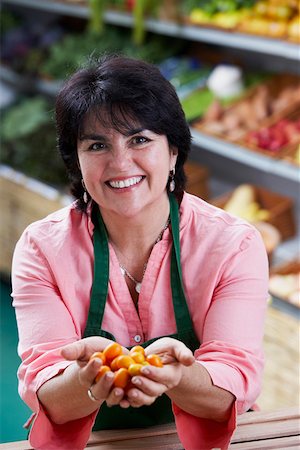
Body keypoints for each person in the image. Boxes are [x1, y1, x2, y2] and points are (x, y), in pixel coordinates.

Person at [11, 54, 269, 450]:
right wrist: (86, 379)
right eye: (97, 145)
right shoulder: (42, 248)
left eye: (140, 140)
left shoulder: (233, 244)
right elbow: (44, 389)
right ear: (76, 163)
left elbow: (236, 381)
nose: (120, 162)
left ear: (173, 153)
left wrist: (181, 378)